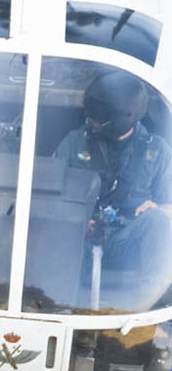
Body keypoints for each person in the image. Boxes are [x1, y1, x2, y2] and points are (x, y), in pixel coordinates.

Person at [54, 71, 172, 306]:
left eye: (99, 119)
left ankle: (139, 316)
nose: (92, 123)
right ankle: (57, 309)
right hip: (78, 241)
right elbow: (47, 198)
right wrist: (75, 221)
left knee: (161, 222)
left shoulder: (158, 151)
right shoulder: (73, 142)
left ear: (121, 119)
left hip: (127, 240)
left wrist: (158, 208)